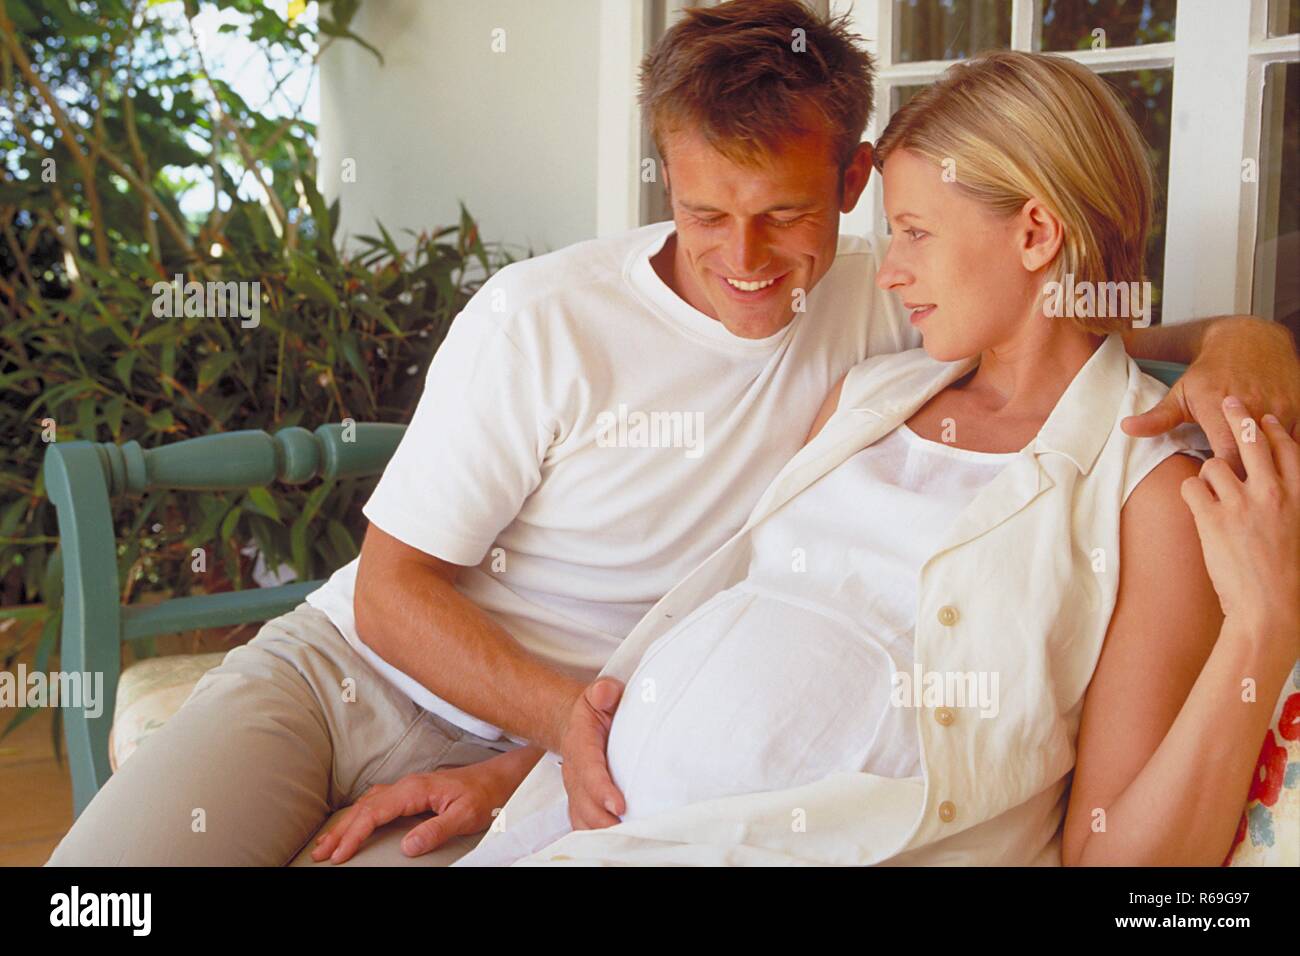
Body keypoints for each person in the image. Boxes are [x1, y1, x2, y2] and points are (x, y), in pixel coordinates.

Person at [47, 0, 1300, 868]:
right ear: (662, 172)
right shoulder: (555, 319)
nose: (742, 259)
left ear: (851, 187)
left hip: (607, 774)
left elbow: (1087, 324)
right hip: (371, 676)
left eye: (786, 215)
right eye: (704, 210)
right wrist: (556, 743)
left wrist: (1251, 344)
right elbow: (390, 593)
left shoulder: (901, 322)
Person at [456, 50, 1300, 867]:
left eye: (915, 233)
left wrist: (1262, 630)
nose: (889, 273)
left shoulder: (1148, 495)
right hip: (599, 824)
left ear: (1036, 232)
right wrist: (533, 766)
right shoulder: (869, 395)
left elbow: (1116, 861)